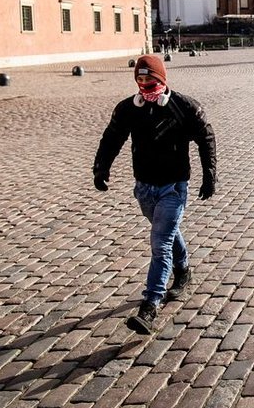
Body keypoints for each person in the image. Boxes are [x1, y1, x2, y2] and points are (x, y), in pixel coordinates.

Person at [93, 55, 216, 335]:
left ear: (162, 79)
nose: (145, 84)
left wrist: (209, 175)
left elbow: (206, 137)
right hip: (144, 188)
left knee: (160, 243)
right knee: (168, 235)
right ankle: (183, 269)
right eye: (140, 79)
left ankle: (150, 305)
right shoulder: (128, 109)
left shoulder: (185, 107)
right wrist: (101, 167)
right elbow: (112, 137)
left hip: (174, 187)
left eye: (151, 79)